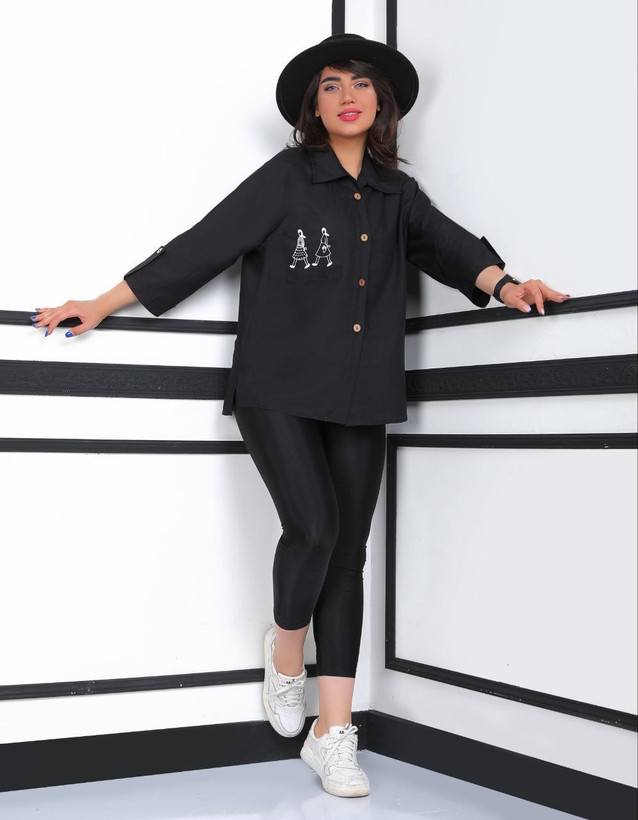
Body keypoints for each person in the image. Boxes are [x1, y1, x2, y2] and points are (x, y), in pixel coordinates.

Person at [30, 33, 569, 798]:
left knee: (347, 554)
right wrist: (100, 303)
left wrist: (509, 286)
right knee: (314, 529)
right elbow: (203, 245)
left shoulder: (397, 194)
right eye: (331, 85)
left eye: (361, 84)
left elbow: (449, 248)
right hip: (276, 387)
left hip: (363, 392)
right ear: (314, 107)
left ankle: (333, 733)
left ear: (382, 103)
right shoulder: (287, 179)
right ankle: (286, 652)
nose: (348, 96)